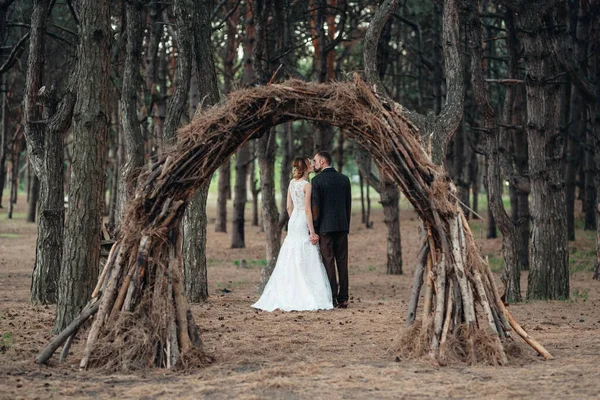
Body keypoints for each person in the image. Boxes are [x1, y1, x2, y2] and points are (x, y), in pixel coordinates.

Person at [252, 157, 333, 312]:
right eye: (310, 163)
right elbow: (308, 210)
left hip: (294, 219)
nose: (312, 165)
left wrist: (293, 219)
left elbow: (289, 207)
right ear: (306, 167)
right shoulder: (307, 185)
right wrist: (312, 231)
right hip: (302, 219)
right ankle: (305, 290)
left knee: (291, 251)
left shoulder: (291, 183)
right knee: (305, 249)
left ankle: (287, 290)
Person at [311, 151, 352, 308]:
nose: (313, 163)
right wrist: (346, 225)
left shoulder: (317, 181)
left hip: (325, 228)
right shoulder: (344, 179)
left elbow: (316, 207)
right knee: (342, 262)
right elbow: (348, 205)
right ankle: (343, 298)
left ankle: (332, 296)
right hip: (342, 226)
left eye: (315, 160)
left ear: (322, 161)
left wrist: (314, 229)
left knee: (328, 261)